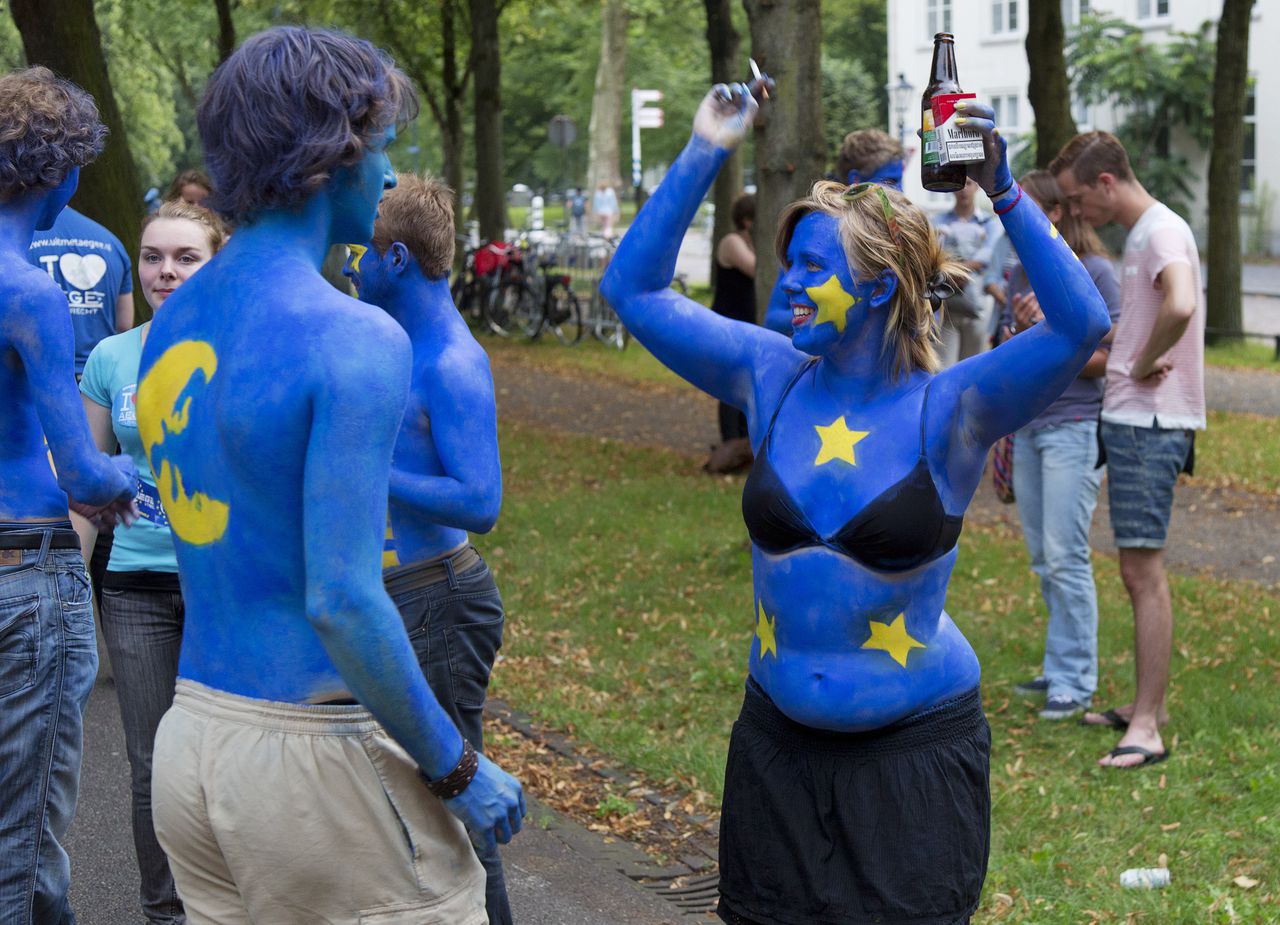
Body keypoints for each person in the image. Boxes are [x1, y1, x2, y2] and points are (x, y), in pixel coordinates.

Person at [601, 82, 1110, 925]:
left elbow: (1080, 325)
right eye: (789, 263)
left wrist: (1005, 191)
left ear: (876, 288)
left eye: (812, 269)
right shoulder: (770, 376)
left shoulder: (950, 410)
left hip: (912, 761)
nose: (789, 284)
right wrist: (706, 146)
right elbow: (635, 291)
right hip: (776, 751)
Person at [136, 28, 523, 923]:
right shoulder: (352, 336)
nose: (389, 179)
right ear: (330, 158)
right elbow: (343, 599)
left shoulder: (176, 317)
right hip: (310, 764)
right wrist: (458, 765)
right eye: (381, 149)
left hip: (192, 741)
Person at [342, 173, 513, 924]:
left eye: (364, 252)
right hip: (399, 595)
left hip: (439, 598)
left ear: (400, 260)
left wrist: (374, 470)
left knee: (456, 797)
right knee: (404, 803)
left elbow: (482, 500)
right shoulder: (394, 343)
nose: (352, 264)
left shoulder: (451, 361)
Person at [0, 64, 138, 925]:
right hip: (25, 579)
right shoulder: (29, 293)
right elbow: (83, 471)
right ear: (64, 171)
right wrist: (131, 475)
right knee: (21, 848)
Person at [79, 200, 226, 925]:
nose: (166, 270)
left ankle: (229, 907)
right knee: (151, 765)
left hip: (225, 585)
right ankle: (163, 912)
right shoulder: (111, 358)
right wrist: (72, 591)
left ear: (215, 261)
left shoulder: (243, 348)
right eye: (153, 257)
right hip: (133, 586)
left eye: (185, 256)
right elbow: (85, 484)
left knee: (228, 758)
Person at [1052, 131, 1204, 769]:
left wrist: (1139, 363)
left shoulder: (1161, 232)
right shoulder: (1144, 235)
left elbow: (1184, 302)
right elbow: (1154, 309)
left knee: (1143, 573)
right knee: (1133, 569)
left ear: (1106, 183)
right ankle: (1151, 706)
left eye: (1076, 196)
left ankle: (1147, 725)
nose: (1074, 210)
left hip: (1150, 422)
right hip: (1133, 419)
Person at [999, 170, 1121, 721]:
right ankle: (1058, 665)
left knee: (1067, 556)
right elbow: (1010, 359)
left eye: (1026, 210)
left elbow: (1111, 363)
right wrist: (1022, 336)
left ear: (1054, 214)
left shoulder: (1093, 271)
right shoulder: (1016, 273)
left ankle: (1075, 679)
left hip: (1073, 427)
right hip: (1029, 428)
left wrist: (1053, 328)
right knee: (1044, 558)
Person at [762, 129, 904, 334]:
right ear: (855, 180)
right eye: (890, 182)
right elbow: (774, 318)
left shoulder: (896, 233)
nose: (899, 190)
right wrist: (831, 311)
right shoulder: (818, 233)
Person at [28, 205, 135, 377]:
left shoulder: (20, 240)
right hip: (100, 379)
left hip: (40, 378)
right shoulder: (112, 243)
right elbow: (124, 325)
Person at [931, 177, 998, 367]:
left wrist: (958, 270)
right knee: (943, 368)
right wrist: (957, 271)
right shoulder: (937, 221)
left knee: (973, 367)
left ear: (977, 187)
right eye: (959, 184)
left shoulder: (989, 223)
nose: (963, 190)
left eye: (968, 183)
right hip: (947, 307)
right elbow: (932, 255)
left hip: (978, 307)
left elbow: (988, 255)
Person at [710, 192, 756, 445]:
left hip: (747, 322)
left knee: (746, 382)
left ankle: (743, 440)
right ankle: (730, 442)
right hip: (728, 322)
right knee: (730, 383)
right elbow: (754, 268)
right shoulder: (732, 241)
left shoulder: (750, 242)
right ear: (748, 220)